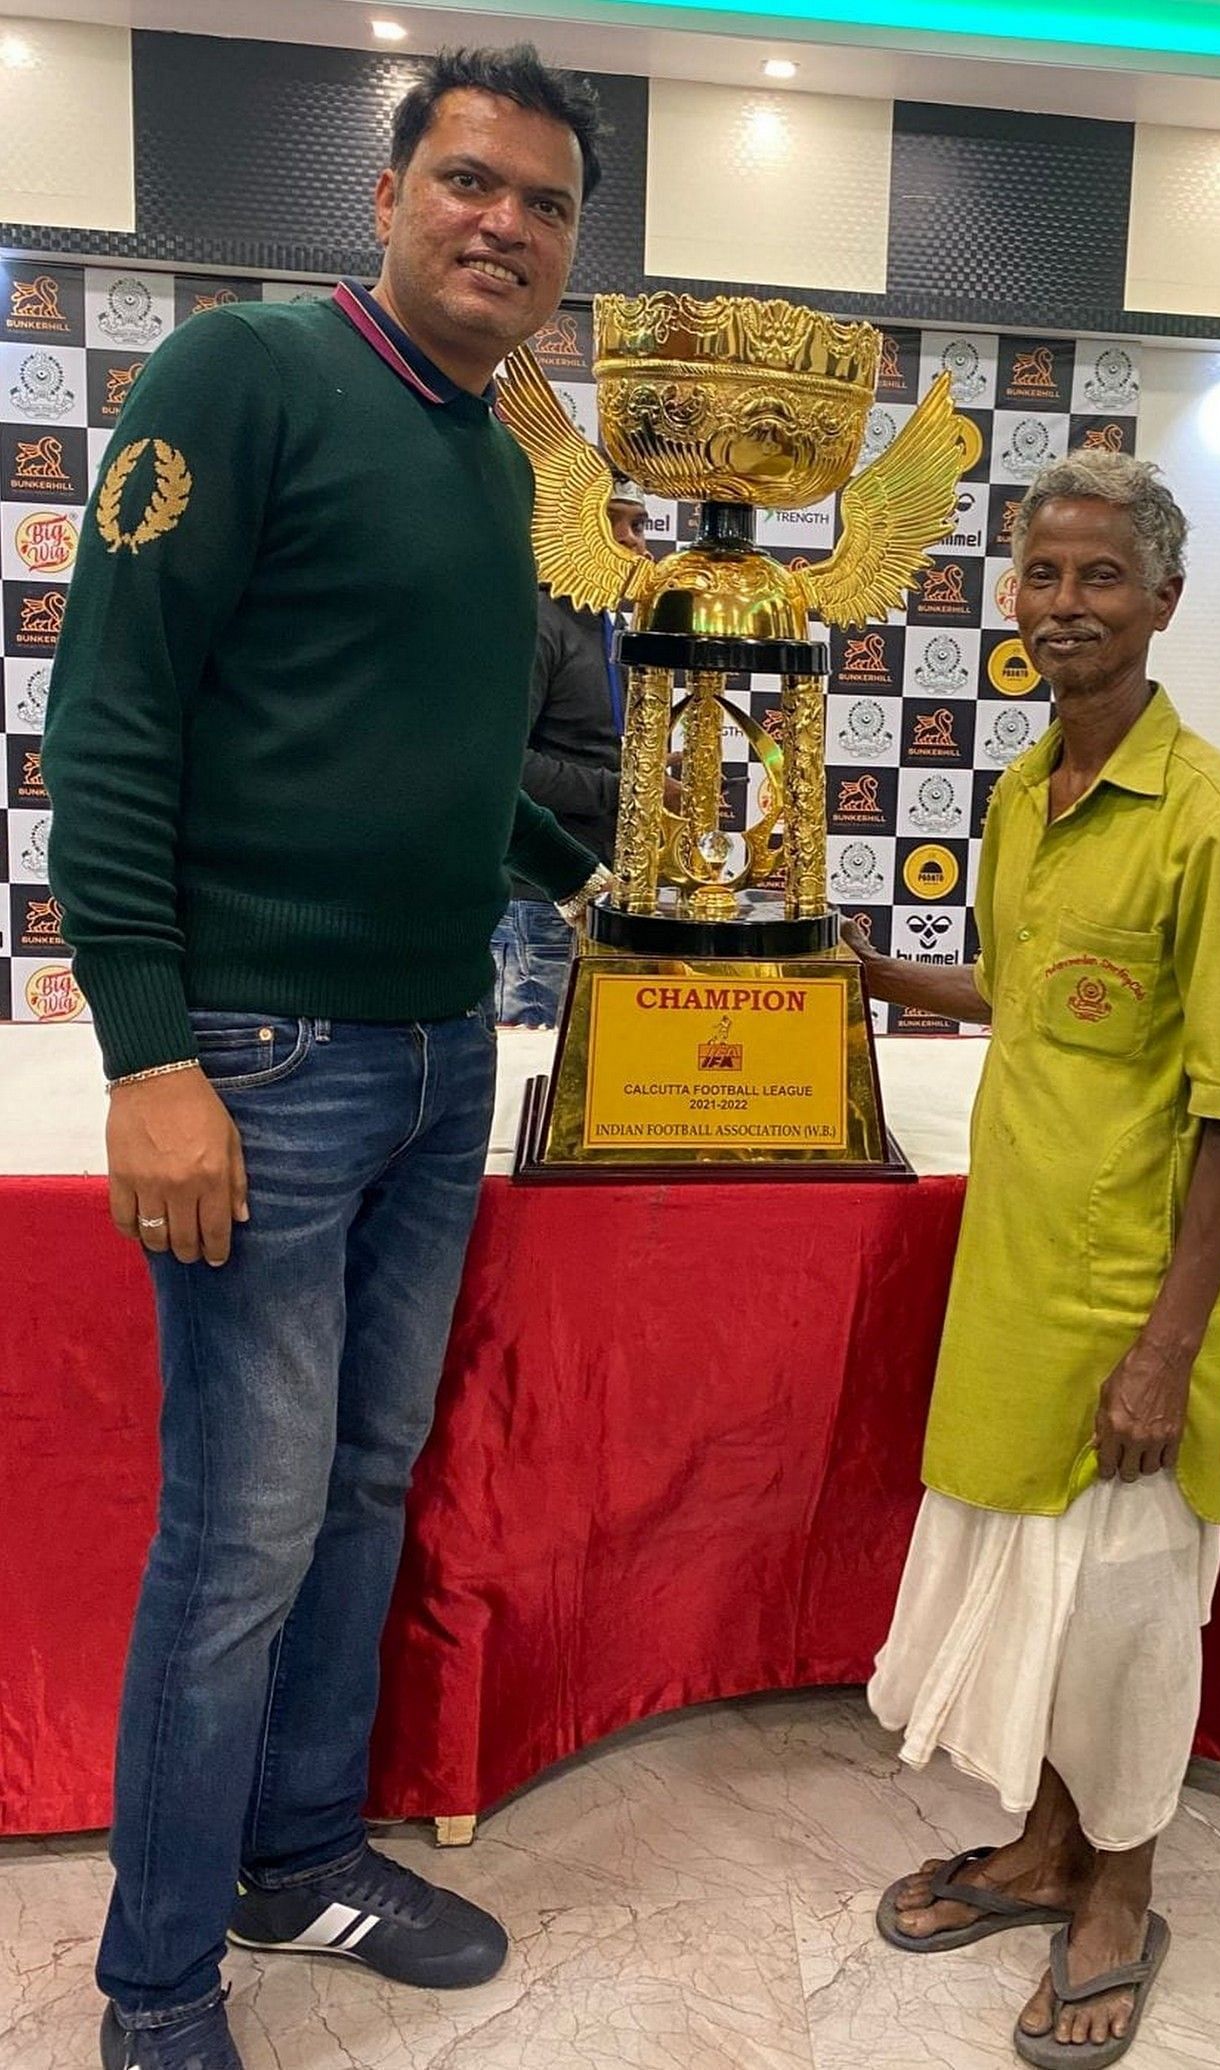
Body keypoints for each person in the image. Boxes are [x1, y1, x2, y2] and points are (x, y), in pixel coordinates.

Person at [43, 46, 610, 2070]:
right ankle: (157, 1987)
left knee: (363, 1490)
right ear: (385, 193)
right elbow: (111, 725)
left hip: (442, 1047)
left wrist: (617, 885)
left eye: (545, 205)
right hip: (266, 1061)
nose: (504, 226)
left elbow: (450, 771)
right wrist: (150, 1053)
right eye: (470, 181)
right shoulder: (245, 383)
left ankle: (301, 1858)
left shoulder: (486, 461)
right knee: (241, 1538)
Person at [848, 451, 1220, 2066]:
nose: (1060, 608)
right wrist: (877, 974)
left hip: (1127, 1299)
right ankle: (1042, 1850)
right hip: (1010, 1275)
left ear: (1163, 601)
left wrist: (1165, 1345)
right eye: (1039, 578)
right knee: (1031, 1597)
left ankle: (1118, 1894)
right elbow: (1023, 991)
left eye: (1098, 578)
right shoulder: (1022, 792)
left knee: (1117, 1616)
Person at [491, 477, 658, 1027]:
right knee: (535, 1077)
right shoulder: (538, 622)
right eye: (624, 522)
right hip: (537, 900)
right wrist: (628, 788)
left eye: (642, 525)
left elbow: (582, 746)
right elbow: (502, 765)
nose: (637, 541)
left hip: (598, 894)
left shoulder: (605, 625)